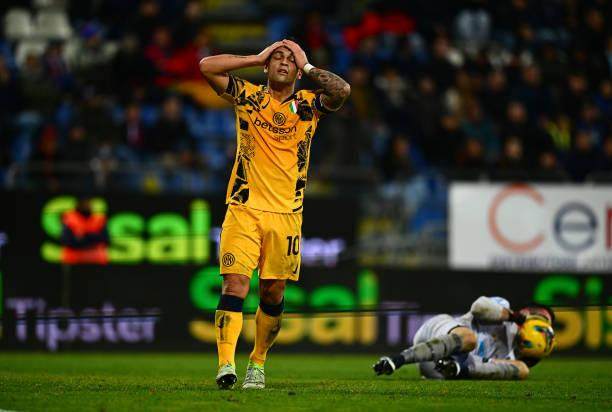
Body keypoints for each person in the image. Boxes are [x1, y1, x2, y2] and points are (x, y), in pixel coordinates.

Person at [199, 39, 350, 389]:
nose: (283, 62)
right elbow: (206, 66)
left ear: (297, 71)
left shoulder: (308, 104)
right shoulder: (248, 96)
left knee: (272, 293)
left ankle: (257, 362)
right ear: (268, 66)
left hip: (286, 214)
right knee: (235, 284)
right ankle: (225, 365)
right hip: (243, 207)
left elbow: (342, 91)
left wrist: (308, 65)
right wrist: (256, 57)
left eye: (289, 60)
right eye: (277, 57)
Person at [373, 296, 555, 380]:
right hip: (438, 333)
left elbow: (521, 367)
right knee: (469, 339)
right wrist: (512, 316)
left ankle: (457, 369)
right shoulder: (504, 309)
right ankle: (397, 359)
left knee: (522, 370)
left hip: (441, 368)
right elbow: (478, 307)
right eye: (537, 314)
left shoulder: (514, 358)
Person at [60, 197, 109, 265]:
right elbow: (66, 240)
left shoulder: (99, 219)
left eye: (88, 202)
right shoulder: (69, 218)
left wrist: (84, 236)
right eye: (84, 202)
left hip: (95, 261)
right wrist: (90, 238)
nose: (86, 205)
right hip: (74, 260)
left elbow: (105, 239)